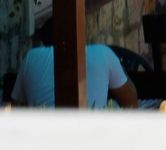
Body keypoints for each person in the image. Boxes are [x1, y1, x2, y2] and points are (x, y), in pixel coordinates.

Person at [8, 19, 141, 110]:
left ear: (44, 41)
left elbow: (17, 107)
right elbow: (130, 99)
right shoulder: (102, 53)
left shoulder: (32, 57)